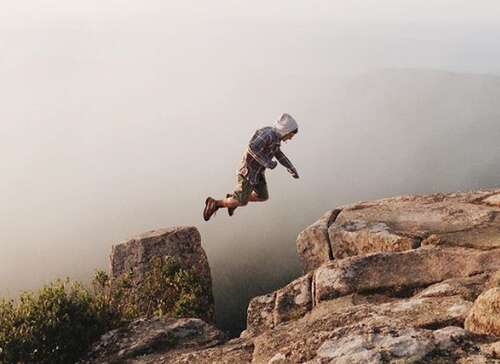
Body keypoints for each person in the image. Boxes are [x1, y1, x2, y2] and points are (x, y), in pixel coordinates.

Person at [203, 113, 299, 221]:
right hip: (248, 171)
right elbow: (252, 148)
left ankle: (233, 199)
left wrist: (290, 167)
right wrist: (268, 162)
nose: (290, 139)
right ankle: (215, 203)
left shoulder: (276, 138)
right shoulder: (268, 134)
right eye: (290, 135)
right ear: (285, 130)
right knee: (241, 201)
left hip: (258, 173)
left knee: (262, 196)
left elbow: (279, 154)